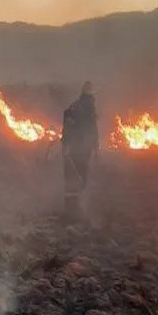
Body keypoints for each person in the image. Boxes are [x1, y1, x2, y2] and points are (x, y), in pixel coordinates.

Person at [61, 81, 99, 220]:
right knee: (79, 176)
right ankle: (74, 208)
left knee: (75, 176)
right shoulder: (85, 108)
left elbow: (92, 130)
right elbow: (91, 129)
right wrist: (95, 147)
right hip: (80, 147)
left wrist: (66, 144)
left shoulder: (77, 106)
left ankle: (73, 207)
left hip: (79, 147)